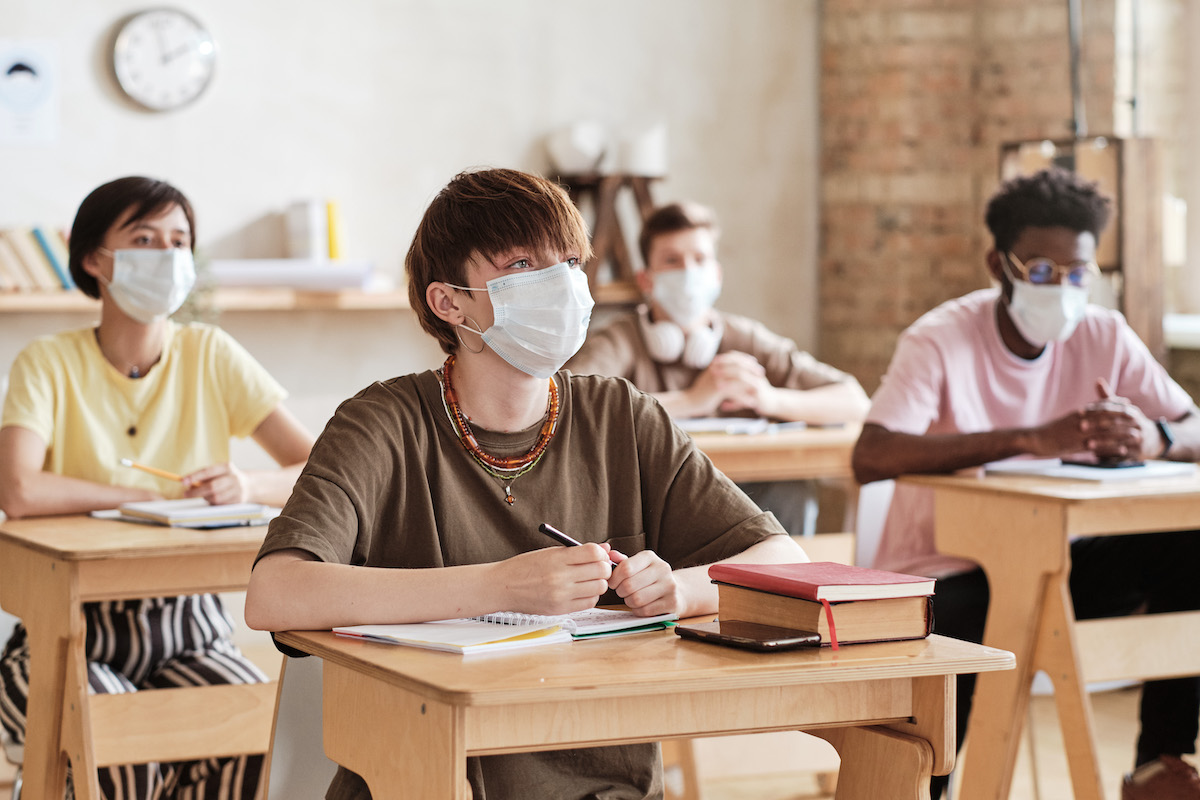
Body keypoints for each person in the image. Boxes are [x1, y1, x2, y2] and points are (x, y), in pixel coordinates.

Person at [244, 168, 806, 800]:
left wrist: (680, 589)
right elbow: (275, 593)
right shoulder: (383, 422)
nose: (561, 285)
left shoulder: (622, 415)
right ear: (448, 302)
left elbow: (784, 559)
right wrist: (499, 586)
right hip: (424, 775)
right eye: (521, 264)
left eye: (569, 261)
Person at [851, 167, 1200, 800]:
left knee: (1189, 545)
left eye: (1079, 274)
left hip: (1056, 560)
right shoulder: (941, 339)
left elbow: (1190, 424)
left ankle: (1160, 765)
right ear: (1000, 264)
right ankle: (924, 786)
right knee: (958, 645)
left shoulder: (1103, 334)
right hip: (948, 571)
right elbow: (871, 455)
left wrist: (1154, 437)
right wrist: (1030, 437)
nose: (1062, 289)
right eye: (1042, 270)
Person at [0, 176, 316, 799]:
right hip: (64, 635)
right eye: (144, 238)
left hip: (190, 628)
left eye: (180, 241)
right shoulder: (47, 361)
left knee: (248, 728)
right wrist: (142, 499)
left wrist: (245, 482)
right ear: (93, 258)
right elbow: (17, 489)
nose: (168, 256)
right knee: (114, 743)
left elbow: (317, 468)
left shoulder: (211, 353)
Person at [566, 201, 869, 537]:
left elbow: (855, 401)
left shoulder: (745, 336)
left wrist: (768, 399)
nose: (688, 272)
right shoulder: (619, 339)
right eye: (671, 261)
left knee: (790, 490)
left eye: (700, 259)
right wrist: (694, 400)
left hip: (747, 491)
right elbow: (572, 403)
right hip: (660, 497)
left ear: (717, 274)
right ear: (646, 279)